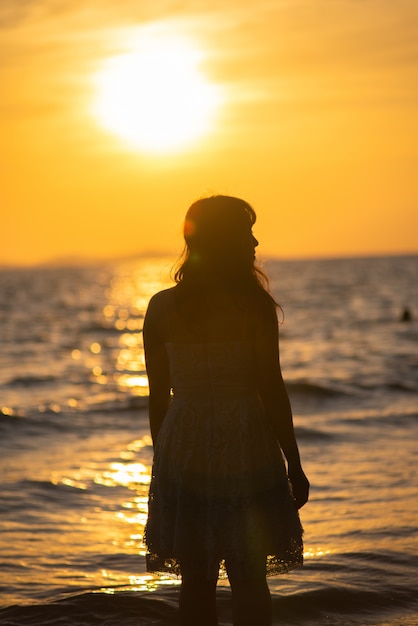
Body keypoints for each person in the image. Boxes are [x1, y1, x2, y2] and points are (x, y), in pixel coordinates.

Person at [143, 195, 309, 626]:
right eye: (246, 232)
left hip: (186, 440)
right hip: (245, 440)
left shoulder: (162, 306)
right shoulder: (254, 305)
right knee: (249, 574)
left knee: (195, 577)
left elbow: (158, 396)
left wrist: (163, 462)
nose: (255, 242)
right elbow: (271, 388)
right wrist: (294, 462)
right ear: (226, 240)